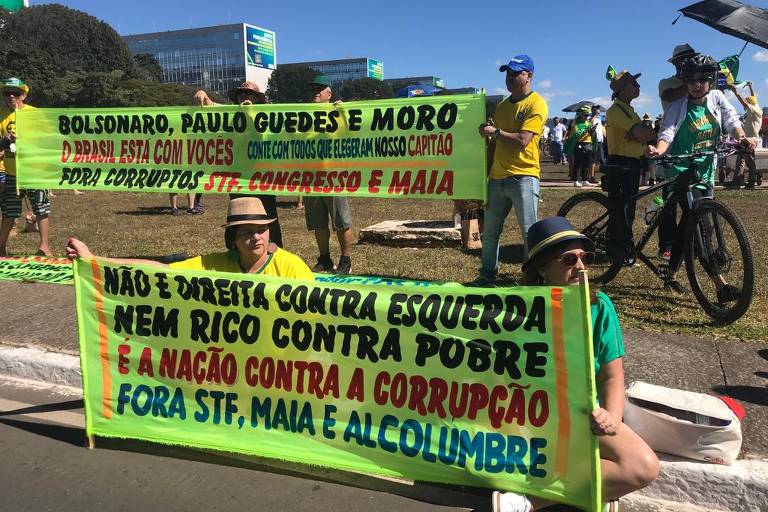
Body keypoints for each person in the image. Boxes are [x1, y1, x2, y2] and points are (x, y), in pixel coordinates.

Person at [492, 217, 659, 512]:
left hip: (584, 415)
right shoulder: (519, 309)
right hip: (532, 415)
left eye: (585, 258)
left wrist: (611, 417)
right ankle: (592, 489)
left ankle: (532, 500)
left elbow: (612, 375)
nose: (580, 266)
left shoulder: (599, 306)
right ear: (542, 268)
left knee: (643, 466)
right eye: (569, 259)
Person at [647, 54, 755, 299]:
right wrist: (659, 150)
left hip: (704, 172)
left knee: (688, 225)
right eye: (691, 80)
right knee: (701, 226)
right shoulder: (677, 107)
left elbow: (731, 119)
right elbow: (667, 132)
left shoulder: (717, 98)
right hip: (682, 173)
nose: (696, 84)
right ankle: (721, 286)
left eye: (702, 79)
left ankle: (671, 275)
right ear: (685, 82)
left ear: (711, 80)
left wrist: (742, 138)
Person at [67, 197, 313, 280]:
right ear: (233, 239)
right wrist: (94, 260)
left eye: (262, 229)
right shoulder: (214, 265)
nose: (257, 237)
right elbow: (159, 269)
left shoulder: (291, 267)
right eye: (247, 232)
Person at [471, 55, 548, 286]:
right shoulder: (503, 106)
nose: (510, 78)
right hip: (497, 178)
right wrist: (484, 175)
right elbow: (494, 145)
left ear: (529, 76)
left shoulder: (536, 103)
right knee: (490, 232)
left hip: (524, 176)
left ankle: (530, 280)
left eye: (515, 73)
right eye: (508, 73)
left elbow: (523, 140)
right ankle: (486, 276)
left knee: (529, 233)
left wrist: (495, 132)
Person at [194, 81, 284, 246]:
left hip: (262, 176)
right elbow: (211, 107)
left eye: (248, 94)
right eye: (241, 94)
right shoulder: (231, 113)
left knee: (268, 214)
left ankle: (275, 249)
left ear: (257, 98)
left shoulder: (268, 114)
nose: (243, 96)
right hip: (238, 176)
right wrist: (202, 94)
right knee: (238, 213)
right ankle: (235, 249)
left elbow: (268, 134)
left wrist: (251, 112)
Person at [301, 75, 353, 274]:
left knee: (341, 221)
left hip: (334, 177)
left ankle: (346, 260)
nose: (315, 92)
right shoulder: (303, 114)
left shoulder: (338, 112)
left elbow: (353, 133)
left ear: (329, 94)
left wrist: (344, 112)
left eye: (320, 89)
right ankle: (324, 259)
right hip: (312, 178)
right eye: (313, 88)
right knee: (318, 223)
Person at [604, 68, 656, 265]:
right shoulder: (616, 110)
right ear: (623, 89)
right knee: (624, 210)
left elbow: (644, 136)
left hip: (632, 161)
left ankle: (616, 246)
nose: (638, 86)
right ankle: (623, 249)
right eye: (634, 83)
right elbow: (644, 134)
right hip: (621, 162)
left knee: (626, 209)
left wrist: (639, 135)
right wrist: (640, 134)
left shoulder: (630, 110)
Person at [0, 77, 52, 257]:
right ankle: (1, 247)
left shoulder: (35, 114)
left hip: (34, 170)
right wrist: (4, 141)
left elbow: (48, 139)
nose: (11, 96)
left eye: (15, 93)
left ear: (23, 95)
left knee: (41, 208)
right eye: (7, 93)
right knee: (9, 212)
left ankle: (44, 247)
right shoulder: (1, 116)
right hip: (12, 173)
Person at [728, 81, 762, 189]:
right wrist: (750, 86)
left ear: (750, 103)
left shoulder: (753, 109)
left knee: (749, 161)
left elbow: (744, 103)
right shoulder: (757, 107)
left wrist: (736, 92)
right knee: (740, 160)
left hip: (751, 140)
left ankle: (750, 182)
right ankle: (738, 180)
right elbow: (754, 97)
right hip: (747, 139)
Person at [659, 44, 696, 112]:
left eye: (692, 58)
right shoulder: (666, 83)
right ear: (674, 62)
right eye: (683, 59)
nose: (689, 61)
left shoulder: (701, 80)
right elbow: (669, 97)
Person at [565, 105, 593, 187]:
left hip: (588, 143)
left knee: (587, 163)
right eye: (586, 115)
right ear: (581, 114)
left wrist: (591, 131)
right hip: (579, 144)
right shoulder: (576, 123)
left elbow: (590, 134)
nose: (587, 117)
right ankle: (576, 180)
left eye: (588, 115)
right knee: (578, 162)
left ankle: (585, 179)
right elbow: (576, 134)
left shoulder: (588, 123)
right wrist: (585, 131)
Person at [589, 105, 605, 184]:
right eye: (597, 110)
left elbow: (601, 129)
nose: (599, 111)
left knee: (597, 160)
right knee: (593, 159)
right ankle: (591, 176)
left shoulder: (599, 119)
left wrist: (604, 137)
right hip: (594, 141)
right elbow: (590, 125)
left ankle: (593, 176)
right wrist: (594, 115)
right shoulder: (590, 119)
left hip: (600, 141)